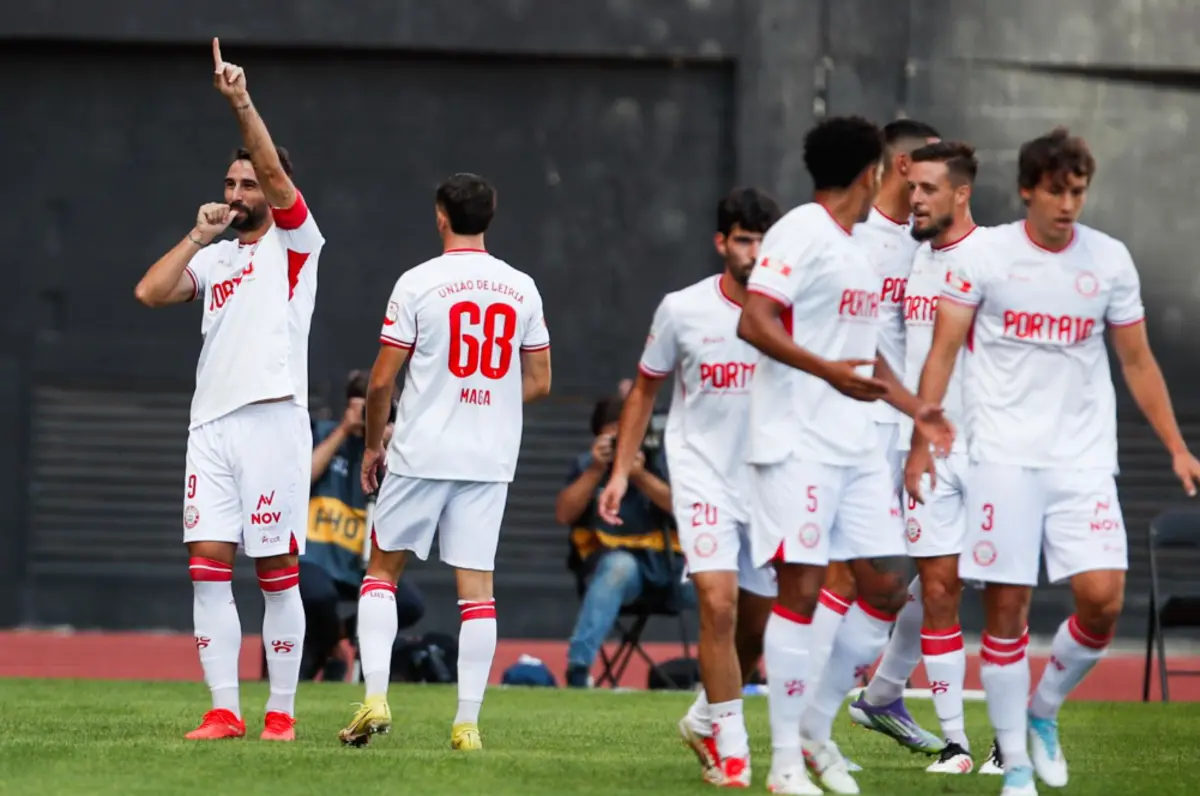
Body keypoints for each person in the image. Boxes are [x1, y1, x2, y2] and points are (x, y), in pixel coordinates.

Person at [912, 127, 1200, 796]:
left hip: (1082, 460)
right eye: (1056, 192)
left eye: (1077, 192)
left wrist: (1178, 448)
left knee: (1102, 601)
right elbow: (943, 351)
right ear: (1027, 190)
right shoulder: (983, 256)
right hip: (1003, 459)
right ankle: (1014, 765)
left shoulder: (1110, 261)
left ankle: (1043, 711)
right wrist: (923, 436)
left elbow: (1136, 360)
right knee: (1008, 609)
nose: (1068, 205)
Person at [735, 115, 952, 795]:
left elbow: (866, 347)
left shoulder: (856, 246)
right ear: (875, 172)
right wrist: (826, 370)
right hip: (799, 442)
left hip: (856, 445)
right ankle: (783, 763)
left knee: (887, 580)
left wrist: (915, 406)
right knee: (801, 590)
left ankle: (816, 729)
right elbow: (754, 319)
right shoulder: (802, 228)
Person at [133, 39, 323, 742]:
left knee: (276, 568)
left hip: (272, 420)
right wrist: (195, 233)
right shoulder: (215, 259)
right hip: (209, 426)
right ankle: (223, 710)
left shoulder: (298, 246)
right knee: (207, 566)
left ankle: (280, 712)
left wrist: (240, 100)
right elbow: (150, 292)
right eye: (230, 184)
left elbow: (275, 173)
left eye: (248, 185)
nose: (238, 194)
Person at [338, 173, 553, 751]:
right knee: (477, 591)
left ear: (440, 216)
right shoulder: (522, 288)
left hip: (422, 448)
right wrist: (489, 401)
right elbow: (540, 381)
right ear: (491, 214)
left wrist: (374, 441)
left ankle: (376, 700)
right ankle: (467, 725)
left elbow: (382, 379)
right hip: (488, 456)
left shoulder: (418, 284)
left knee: (381, 573)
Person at [597, 187, 783, 787]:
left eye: (763, 240)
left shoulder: (791, 309)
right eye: (744, 240)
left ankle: (705, 717)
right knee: (717, 602)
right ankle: (734, 750)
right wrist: (623, 471)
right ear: (722, 242)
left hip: (769, 480)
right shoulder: (681, 309)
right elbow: (646, 390)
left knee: (753, 629)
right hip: (701, 477)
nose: (754, 252)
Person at [807, 120, 944, 761]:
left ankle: (882, 693)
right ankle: (806, 727)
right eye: (932, 165)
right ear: (901, 163)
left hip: (919, 431)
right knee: (848, 576)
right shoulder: (853, 240)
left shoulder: (936, 246)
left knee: (942, 573)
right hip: (857, 428)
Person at [850, 140, 983, 774]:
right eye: (912, 188)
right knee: (936, 587)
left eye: (928, 189)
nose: (916, 199)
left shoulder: (996, 259)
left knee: (1001, 596)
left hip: (996, 452)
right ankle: (957, 740)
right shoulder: (913, 262)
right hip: (929, 450)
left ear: (961, 193)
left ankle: (1016, 731)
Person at [301, 372, 424, 681]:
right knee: (318, 595)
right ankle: (330, 645)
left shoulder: (393, 449)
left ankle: (332, 637)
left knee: (409, 602)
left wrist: (389, 443)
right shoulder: (324, 433)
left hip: (362, 561)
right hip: (317, 555)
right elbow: (302, 478)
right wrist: (345, 429)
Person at [559, 396, 684, 688]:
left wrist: (638, 474)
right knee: (619, 566)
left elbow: (684, 509)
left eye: (629, 432)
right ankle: (578, 671)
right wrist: (594, 470)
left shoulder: (661, 459)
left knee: (722, 580)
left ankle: (739, 672)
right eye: (614, 433)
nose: (621, 441)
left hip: (671, 566)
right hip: (614, 569)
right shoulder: (587, 465)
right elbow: (564, 513)